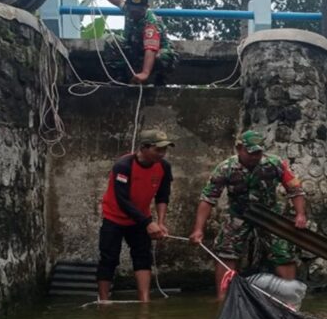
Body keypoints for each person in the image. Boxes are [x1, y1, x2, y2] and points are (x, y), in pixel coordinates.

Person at [189, 130, 308, 300]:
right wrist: (198, 229)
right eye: (251, 153)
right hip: (239, 214)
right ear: (239, 149)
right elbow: (208, 198)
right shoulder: (226, 168)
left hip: (269, 214)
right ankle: (223, 298)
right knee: (226, 251)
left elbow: (295, 190)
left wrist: (300, 215)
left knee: (283, 252)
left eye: (258, 153)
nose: (255, 157)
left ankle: (289, 298)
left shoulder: (275, 163)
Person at [96, 129, 173, 303]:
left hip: (140, 219)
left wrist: (160, 222)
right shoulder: (124, 165)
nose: (162, 154)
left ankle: (144, 301)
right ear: (144, 148)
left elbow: (162, 196)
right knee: (109, 258)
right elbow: (122, 200)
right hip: (114, 217)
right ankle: (103, 301)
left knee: (142, 256)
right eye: (158, 149)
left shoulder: (164, 167)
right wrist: (148, 223)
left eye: (164, 150)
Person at [86, 0, 177, 83]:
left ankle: (160, 79)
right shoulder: (129, 9)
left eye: (138, 11)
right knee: (112, 41)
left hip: (155, 52)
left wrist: (145, 73)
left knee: (161, 57)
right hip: (135, 49)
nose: (134, 13)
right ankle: (121, 77)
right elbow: (117, 1)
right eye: (132, 10)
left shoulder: (151, 23)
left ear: (146, 7)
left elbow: (151, 49)